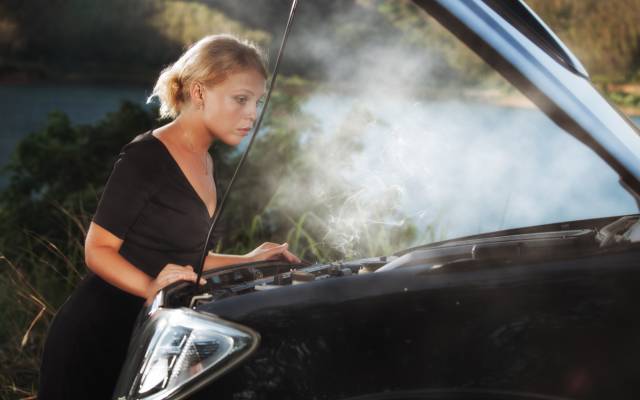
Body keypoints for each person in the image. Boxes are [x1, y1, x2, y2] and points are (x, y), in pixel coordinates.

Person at [38, 34, 300, 399]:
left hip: (151, 335)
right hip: (98, 334)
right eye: (241, 99)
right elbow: (97, 250)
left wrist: (249, 259)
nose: (252, 115)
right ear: (198, 93)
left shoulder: (206, 161)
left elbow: (180, 258)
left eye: (256, 102)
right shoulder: (146, 158)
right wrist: (151, 291)